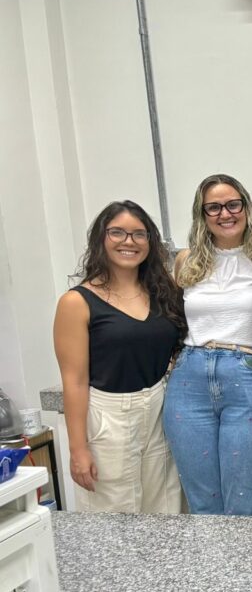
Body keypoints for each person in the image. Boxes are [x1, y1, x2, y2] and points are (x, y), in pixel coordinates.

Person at [163, 174, 252, 516]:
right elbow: (173, 319)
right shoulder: (186, 261)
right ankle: (211, 572)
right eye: (213, 207)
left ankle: (247, 572)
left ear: (246, 208)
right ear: (202, 215)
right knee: (202, 506)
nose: (224, 214)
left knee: (244, 506)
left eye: (233, 204)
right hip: (190, 379)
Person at [54, 201, 185, 513]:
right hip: (107, 417)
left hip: (157, 411)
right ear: (101, 239)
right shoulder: (76, 302)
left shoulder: (163, 293)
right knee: (112, 521)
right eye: (118, 233)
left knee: (164, 512)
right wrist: (78, 449)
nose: (129, 241)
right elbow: (74, 381)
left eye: (139, 234)